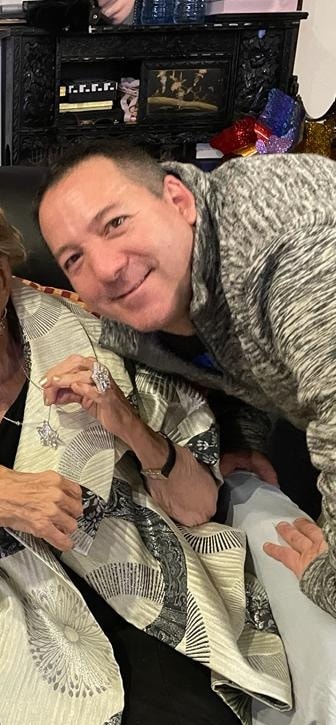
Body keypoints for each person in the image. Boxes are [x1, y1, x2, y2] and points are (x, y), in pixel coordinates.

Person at [0, 172, 291, 725]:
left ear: (1, 270)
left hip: (131, 609)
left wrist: (130, 425)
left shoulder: (103, 341)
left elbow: (199, 505)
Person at [36, 141, 336, 619]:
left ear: (179, 200)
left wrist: (330, 579)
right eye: (74, 258)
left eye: (116, 223)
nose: (106, 269)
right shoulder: (136, 315)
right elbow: (236, 347)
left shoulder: (287, 248)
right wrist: (242, 437)